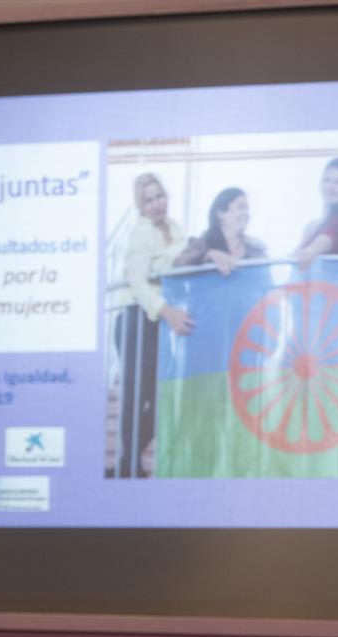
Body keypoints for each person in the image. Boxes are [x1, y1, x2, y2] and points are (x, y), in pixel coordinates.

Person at [112, 173, 188, 478]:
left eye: (159, 196)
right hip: (136, 319)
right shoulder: (140, 234)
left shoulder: (176, 229)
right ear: (140, 206)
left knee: (161, 396)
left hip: (158, 323)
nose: (156, 204)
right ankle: (129, 464)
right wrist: (166, 310)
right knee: (136, 394)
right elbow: (137, 282)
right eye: (148, 200)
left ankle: (127, 461)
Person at [293, 158, 338, 268]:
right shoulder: (314, 226)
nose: (330, 187)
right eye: (326, 180)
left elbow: (327, 238)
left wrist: (310, 251)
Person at [174, 186, 267, 271]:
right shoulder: (203, 243)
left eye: (247, 208)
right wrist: (207, 255)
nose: (246, 213)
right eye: (241, 207)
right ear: (220, 213)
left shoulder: (256, 248)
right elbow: (177, 266)